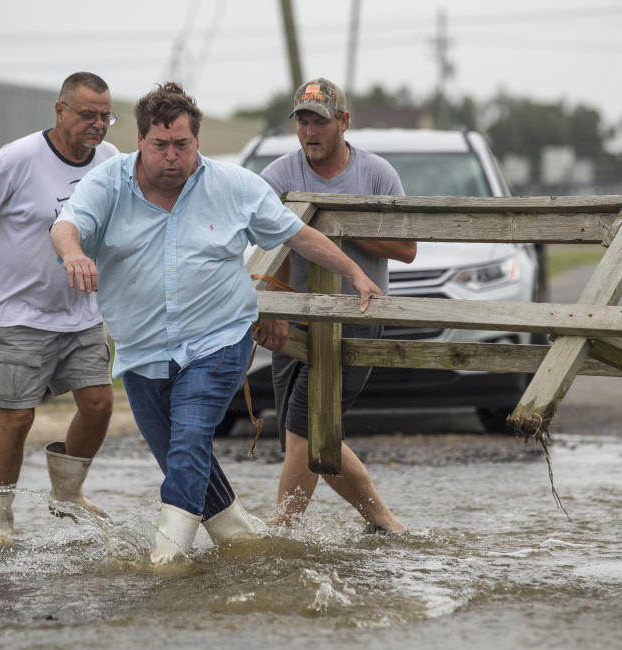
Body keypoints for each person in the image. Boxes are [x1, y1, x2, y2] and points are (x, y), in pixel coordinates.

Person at [50, 81, 383, 564]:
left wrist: (352, 272)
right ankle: (241, 541)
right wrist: (74, 253)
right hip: (142, 348)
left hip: (219, 339)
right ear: (140, 141)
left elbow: (298, 234)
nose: (171, 156)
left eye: (182, 145)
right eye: (160, 145)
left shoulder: (233, 184)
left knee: (188, 441)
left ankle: (166, 561)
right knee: (179, 458)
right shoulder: (107, 183)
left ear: (196, 143)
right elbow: (66, 225)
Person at [0, 72, 119, 545]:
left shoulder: (111, 160)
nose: (98, 125)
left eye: (105, 116)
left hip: (80, 313)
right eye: (88, 115)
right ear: (60, 111)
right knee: (17, 419)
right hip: (18, 313)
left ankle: (67, 493)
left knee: (98, 405)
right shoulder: (18, 159)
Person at [256, 78, 416, 534]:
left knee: (306, 430)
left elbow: (407, 249)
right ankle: (384, 522)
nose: (310, 132)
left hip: (357, 317)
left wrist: (332, 231)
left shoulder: (377, 173)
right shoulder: (280, 175)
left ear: (344, 122)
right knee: (301, 433)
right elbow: (269, 242)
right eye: (303, 122)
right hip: (295, 320)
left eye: (320, 122)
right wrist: (277, 308)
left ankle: (282, 532)